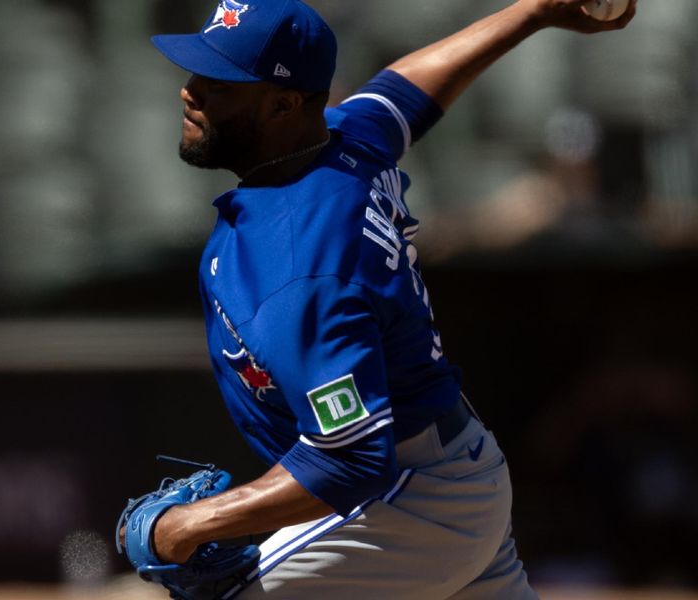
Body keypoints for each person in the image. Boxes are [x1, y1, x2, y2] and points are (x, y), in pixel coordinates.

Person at [142, 1, 635, 598]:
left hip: (407, 498)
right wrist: (534, 12)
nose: (189, 93)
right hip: (448, 471)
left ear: (282, 103)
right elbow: (405, 88)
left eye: (218, 84)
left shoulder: (304, 270)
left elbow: (351, 459)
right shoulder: (342, 142)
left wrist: (190, 524)